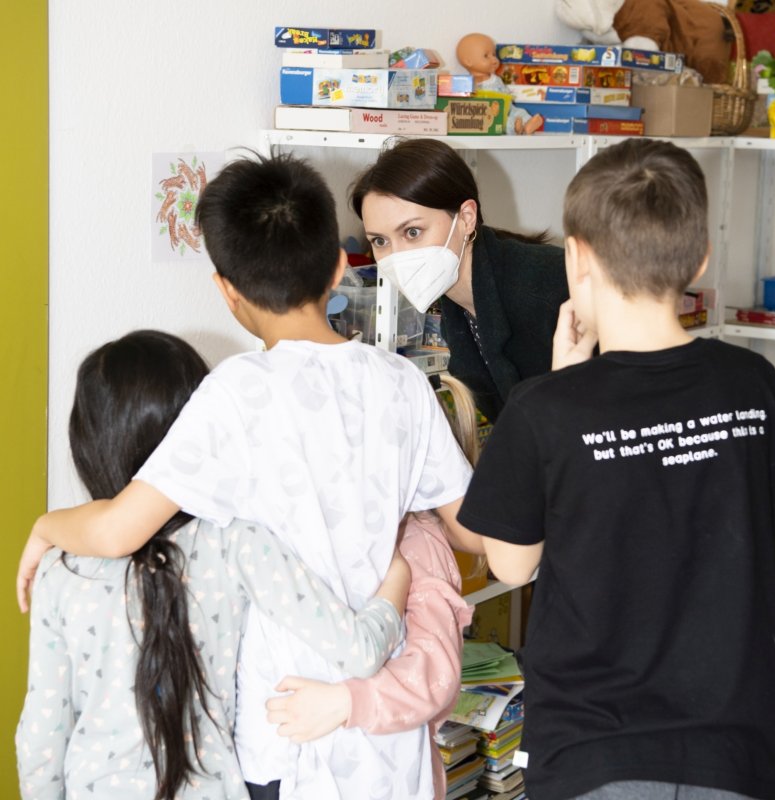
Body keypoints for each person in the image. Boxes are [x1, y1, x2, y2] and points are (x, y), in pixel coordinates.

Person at [17, 152, 483, 800]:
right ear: (341, 265)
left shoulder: (237, 392)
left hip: (282, 733)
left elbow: (122, 527)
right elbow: (473, 532)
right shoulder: (403, 382)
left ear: (227, 292)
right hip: (383, 731)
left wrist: (45, 526)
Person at [456, 138, 775, 800]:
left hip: (594, 750)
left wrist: (561, 384)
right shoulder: (755, 384)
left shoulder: (545, 408)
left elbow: (511, 564)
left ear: (576, 258)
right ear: (699, 258)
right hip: (738, 746)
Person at [15, 329, 412, 800]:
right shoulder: (235, 542)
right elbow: (361, 652)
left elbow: (41, 739)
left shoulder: (61, 569)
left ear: (85, 442)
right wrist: (399, 579)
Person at [265, 374, 482, 800]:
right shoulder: (352, 528)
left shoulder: (419, 543)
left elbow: (437, 675)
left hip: (394, 770)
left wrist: (347, 702)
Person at [349, 137, 569, 422]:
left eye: (412, 232)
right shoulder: (459, 303)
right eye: (380, 240)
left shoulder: (541, 290)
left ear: (466, 218)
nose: (397, 256)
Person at [456, 32, 543, 135]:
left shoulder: (496, 79)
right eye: (486, 56)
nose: (494, 60)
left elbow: (505, 93)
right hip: (490, 114)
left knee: (520, 112)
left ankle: (527, 124)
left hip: (507, 108)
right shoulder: (466, 83)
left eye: (494, 54)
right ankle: (516, 128)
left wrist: (508, 97)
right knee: (501, 122)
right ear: (468, 61)